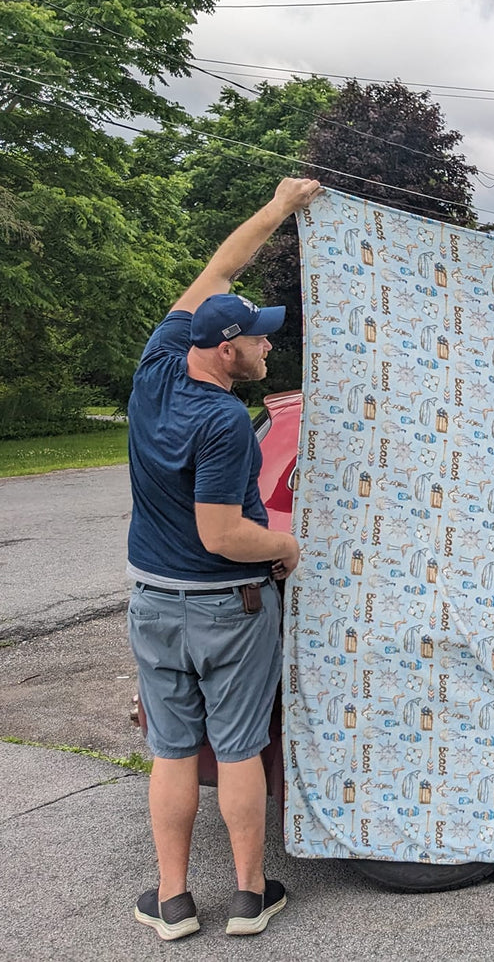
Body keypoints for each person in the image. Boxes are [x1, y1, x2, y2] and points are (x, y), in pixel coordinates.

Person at [126, 177, 321, 939]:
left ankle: (173, 902)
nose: (269, 345)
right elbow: (222, 535)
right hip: (225, 607)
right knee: (239, 750)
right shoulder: (222, 421)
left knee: (173, 751)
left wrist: (279, 207)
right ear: (225, 348)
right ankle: (248, 896)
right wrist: (286, 546)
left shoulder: (157, 367)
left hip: (153, 602)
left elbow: (219, 270)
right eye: (259, 338)